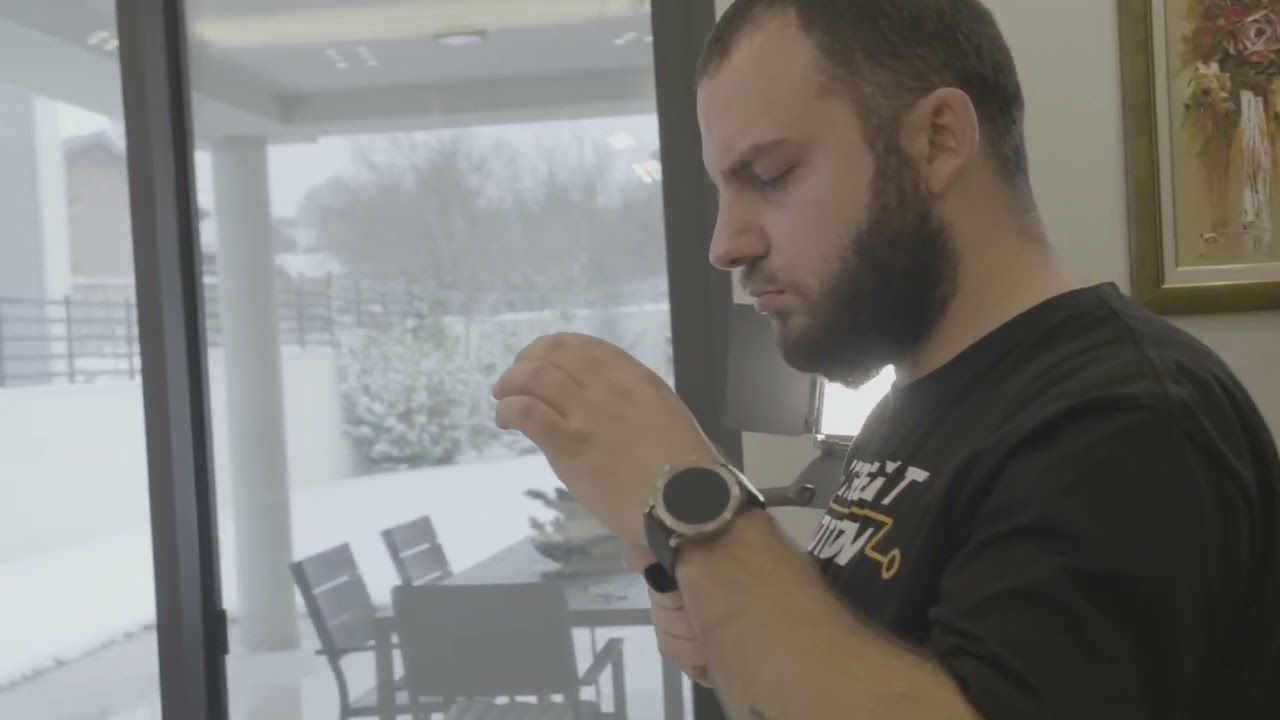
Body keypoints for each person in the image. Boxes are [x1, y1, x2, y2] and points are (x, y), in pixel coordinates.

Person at [491, 0, 1280, 717]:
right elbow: (880, 662)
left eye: (770, 175)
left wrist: (693, 507)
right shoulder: (916, 400)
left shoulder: (1127, 423)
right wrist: (729, 612)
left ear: (937, 140)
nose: (725, 244)